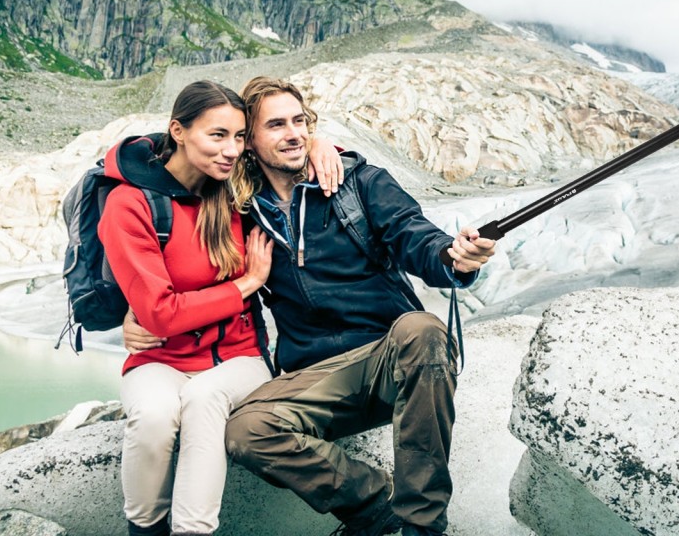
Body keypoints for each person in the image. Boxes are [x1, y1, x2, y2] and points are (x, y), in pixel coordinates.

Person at [126, 75, 495, 536]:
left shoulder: (357, 183)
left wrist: (455, 258)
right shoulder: (239, 207)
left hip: (386, 359)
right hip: (314, 379)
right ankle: (376, 502)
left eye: (301, 122)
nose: (294, 133)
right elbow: (179, 246)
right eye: (276, 125)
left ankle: (422, 526)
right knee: (246, 431)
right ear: (250, 142)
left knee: (423, 329)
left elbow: (413, 236)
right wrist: (134, 309)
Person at [100, 80, 276, 536]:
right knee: (155, 417)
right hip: (159, 355)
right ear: (178, 131)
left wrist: (321, 147)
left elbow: (288, 152)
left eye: (239, 137)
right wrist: (246, 285)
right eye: (217, 135)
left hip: (239, 356)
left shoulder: (236, 188)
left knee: (203, 399)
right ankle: (144, 528)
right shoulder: (130, 204)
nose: (232, 149)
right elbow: (159, 314)